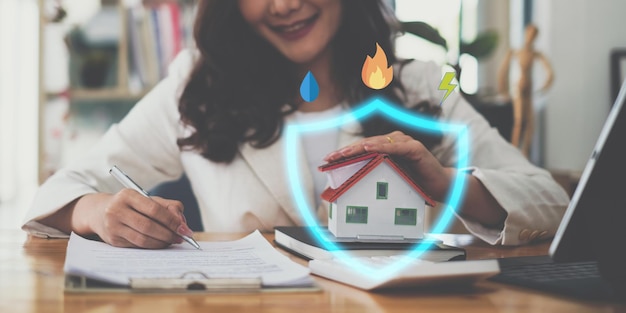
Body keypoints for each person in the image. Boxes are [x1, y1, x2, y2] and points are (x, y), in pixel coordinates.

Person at [23, 0, 569, 248]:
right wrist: (97, 211)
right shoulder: (197, 89)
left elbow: (551, 202)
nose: (286, 5)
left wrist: (448, 188)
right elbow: (59, 191)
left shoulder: (423, 87)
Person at [497, 24, 554, 157]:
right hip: (519, 90)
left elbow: (550, 73)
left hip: (529, 91)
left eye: (534, 35)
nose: (531, 37)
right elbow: (502, 72)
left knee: (530, 123)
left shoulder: (536, 54)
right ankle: (513, 153)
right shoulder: (516, 52)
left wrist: (545, 86)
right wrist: (503, 90)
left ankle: (525, 153)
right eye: (529, 33)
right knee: (519, 121)